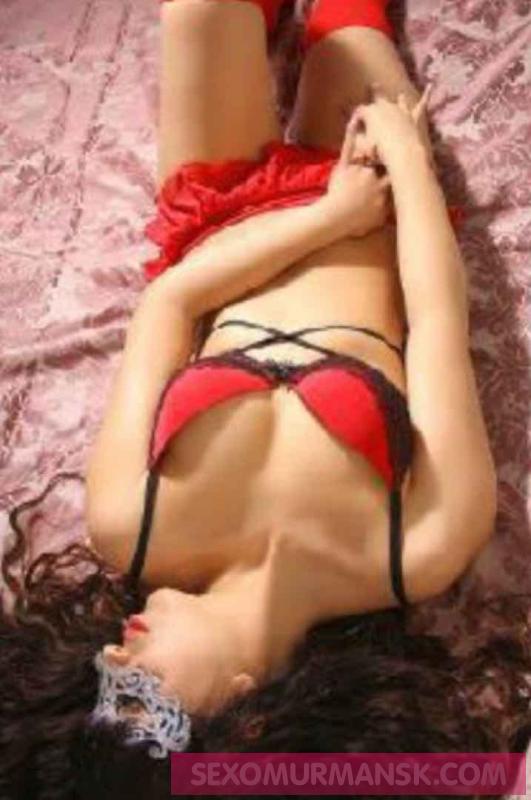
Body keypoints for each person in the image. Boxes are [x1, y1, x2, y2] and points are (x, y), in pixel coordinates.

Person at [1, 1, 530, 798]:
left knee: (198, 11)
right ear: (241, 714)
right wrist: (403, 162)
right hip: (376, 211)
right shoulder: (413, 551)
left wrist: (324, 217)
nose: (112, 656)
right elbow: (434, 322)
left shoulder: (130, 527)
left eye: (99, 683)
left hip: (222, 220)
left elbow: (171, 302)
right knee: (345, 37)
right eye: (135, 699)